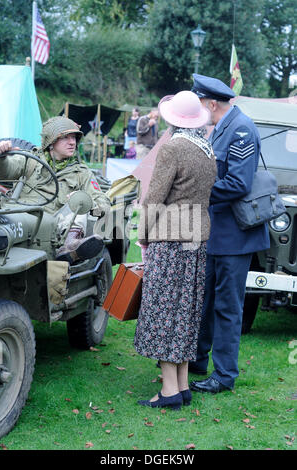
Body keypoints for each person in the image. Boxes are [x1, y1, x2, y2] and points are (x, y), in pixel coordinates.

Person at [134, 91, 217, 410]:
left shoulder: (172, 148)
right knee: (186, 311)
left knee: (164, 312)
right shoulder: (207, 149)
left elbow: (154, 198)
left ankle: (169, 390)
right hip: (196, 239)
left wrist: (142, 235)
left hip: (170, 241)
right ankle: (182, 385)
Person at [189, 74, 270, 394]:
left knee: (227, 306)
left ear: (211, 104)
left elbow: (238, 184)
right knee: (205, 300)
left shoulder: (240, 129)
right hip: (217, 233)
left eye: (199, 104)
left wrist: (196, 193)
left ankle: (224, 375)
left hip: (234, 237)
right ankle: (197, 359)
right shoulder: (222, 127)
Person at [0, 116, 111, 264]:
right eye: (65, 137)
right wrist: (1, 157)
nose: (72, 142)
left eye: (74, 138)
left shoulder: (81, 173)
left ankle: (70, 247)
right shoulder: (31, 160)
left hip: (57, 229)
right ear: (51, 142)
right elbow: (6, 170)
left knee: (79, 200)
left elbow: (104, 205)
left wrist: (87, 205)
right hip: (22, 216)